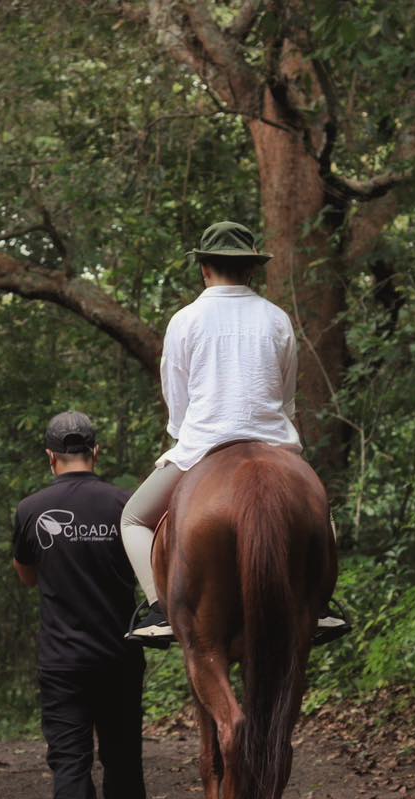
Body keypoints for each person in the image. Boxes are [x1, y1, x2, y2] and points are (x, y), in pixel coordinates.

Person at [123, 220, 347, 641]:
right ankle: (319, 605)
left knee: (132, 518)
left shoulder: (184, 320)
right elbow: (285, 397)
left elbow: (177, 403)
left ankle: (159, 612)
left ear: (204, 268)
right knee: (321, 515)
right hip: (273, 444)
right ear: (251, 270)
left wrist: (184, 436)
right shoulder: (277, 319)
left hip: (202, 447)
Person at [12, 411, 147, 799]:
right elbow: (144, 569)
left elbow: (27, 576)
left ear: (51, 458)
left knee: (69, 757)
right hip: (119, 653)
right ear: (96, 452)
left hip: (63, 660)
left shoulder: (31, 509)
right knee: (122, 753)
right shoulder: (127, 505)